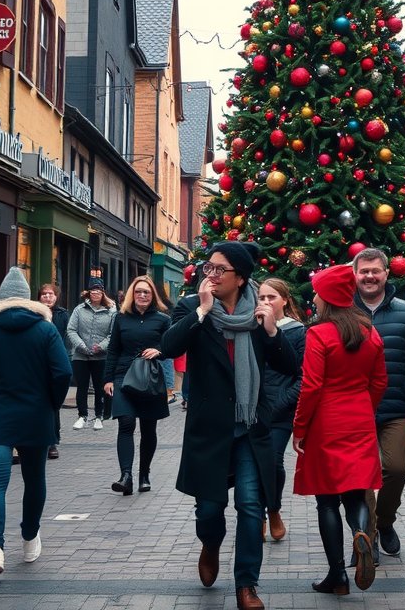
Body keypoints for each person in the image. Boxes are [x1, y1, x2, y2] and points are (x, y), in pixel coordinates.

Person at [161, 241, 299, 610]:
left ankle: (246, 586)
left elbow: (290, 367)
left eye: (220, 270)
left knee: (251, 507)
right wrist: (202, 312)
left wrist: (272, 332)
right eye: (209, 267)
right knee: (209, 509)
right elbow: (170, 346)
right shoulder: (192, 305)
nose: (211, 275)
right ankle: (210, 544)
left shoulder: (259, 311)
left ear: (240, 278)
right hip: (210, 427)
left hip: (250, 426)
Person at [0, 266, 71, 579]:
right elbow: (63, 372)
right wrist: (51, 402)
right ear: (27, 299)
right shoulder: (45, 329)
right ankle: (29, 538)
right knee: (34, 478)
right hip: (36, 413)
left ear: (0, 299)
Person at [293, 264, 387, 594]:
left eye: (318, 291)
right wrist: (365, 407)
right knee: (357, 490)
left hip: (326, 423)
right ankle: (362, 531)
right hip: (360, 420)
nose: (314, 297)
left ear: (328, 297)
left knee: (327, 502)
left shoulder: (319, 334)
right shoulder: (370, 332)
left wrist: (300, 427)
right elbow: (379, 382)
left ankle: (338, 575)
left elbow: (311, 386)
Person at [352, 247, 405, 558]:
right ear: (355, 275)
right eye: (364, 271)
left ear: (387, 273)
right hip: (354, 409)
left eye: (375, 271)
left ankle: (384, 522)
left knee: (395, 469)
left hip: (397, 407)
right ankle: (368, 532)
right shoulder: (344, 311)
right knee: (360, 475)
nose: (370, 276)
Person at [104, 275, 170, 495]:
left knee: (148, 428)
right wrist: (107, 379)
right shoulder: (121, 318)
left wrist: (160, 351)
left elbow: (171, 344)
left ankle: (144, 474)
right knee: (126, 423)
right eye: (139, 291)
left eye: (147, 292)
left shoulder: (162, 319)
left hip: (150, 377)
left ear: (153, 296)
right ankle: (126, 476)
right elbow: (113, 349)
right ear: (132, 294)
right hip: (123, 376)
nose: (142, 295)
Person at [257, 278, 306, 541]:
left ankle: (273, 509)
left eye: (271, 297)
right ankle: (259, 514)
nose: (265, 302)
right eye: (261, 298)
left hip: (280, 410)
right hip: (251, 408)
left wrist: (281, 402)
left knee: (273, 461)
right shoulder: (251, 328)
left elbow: (303, 375)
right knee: (253, 464)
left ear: (285, 300)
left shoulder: (297, 331)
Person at [66, 278, 116, 430]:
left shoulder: (111, 311)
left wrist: (100, 347)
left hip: (101, 356)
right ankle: (82, 416)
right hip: (81, 356)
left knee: (100, 386)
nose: (95, 294)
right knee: (82, 386)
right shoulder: (79, 309)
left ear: (103, 293)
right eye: (93, 291)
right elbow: (71, 330)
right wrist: (81, 346)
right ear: (88, 292)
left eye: (98, 291)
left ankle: (99, 416)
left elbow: (113, 333)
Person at [37, 283, 70, 460]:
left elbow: (66, 337)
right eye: (44, 294)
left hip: (54, 363)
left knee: (53, 404)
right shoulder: (33, 314)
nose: (47, 297)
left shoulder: (62, 315)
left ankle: (52, 442)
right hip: (36, 364)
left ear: (56, 297)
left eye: (50, 294)